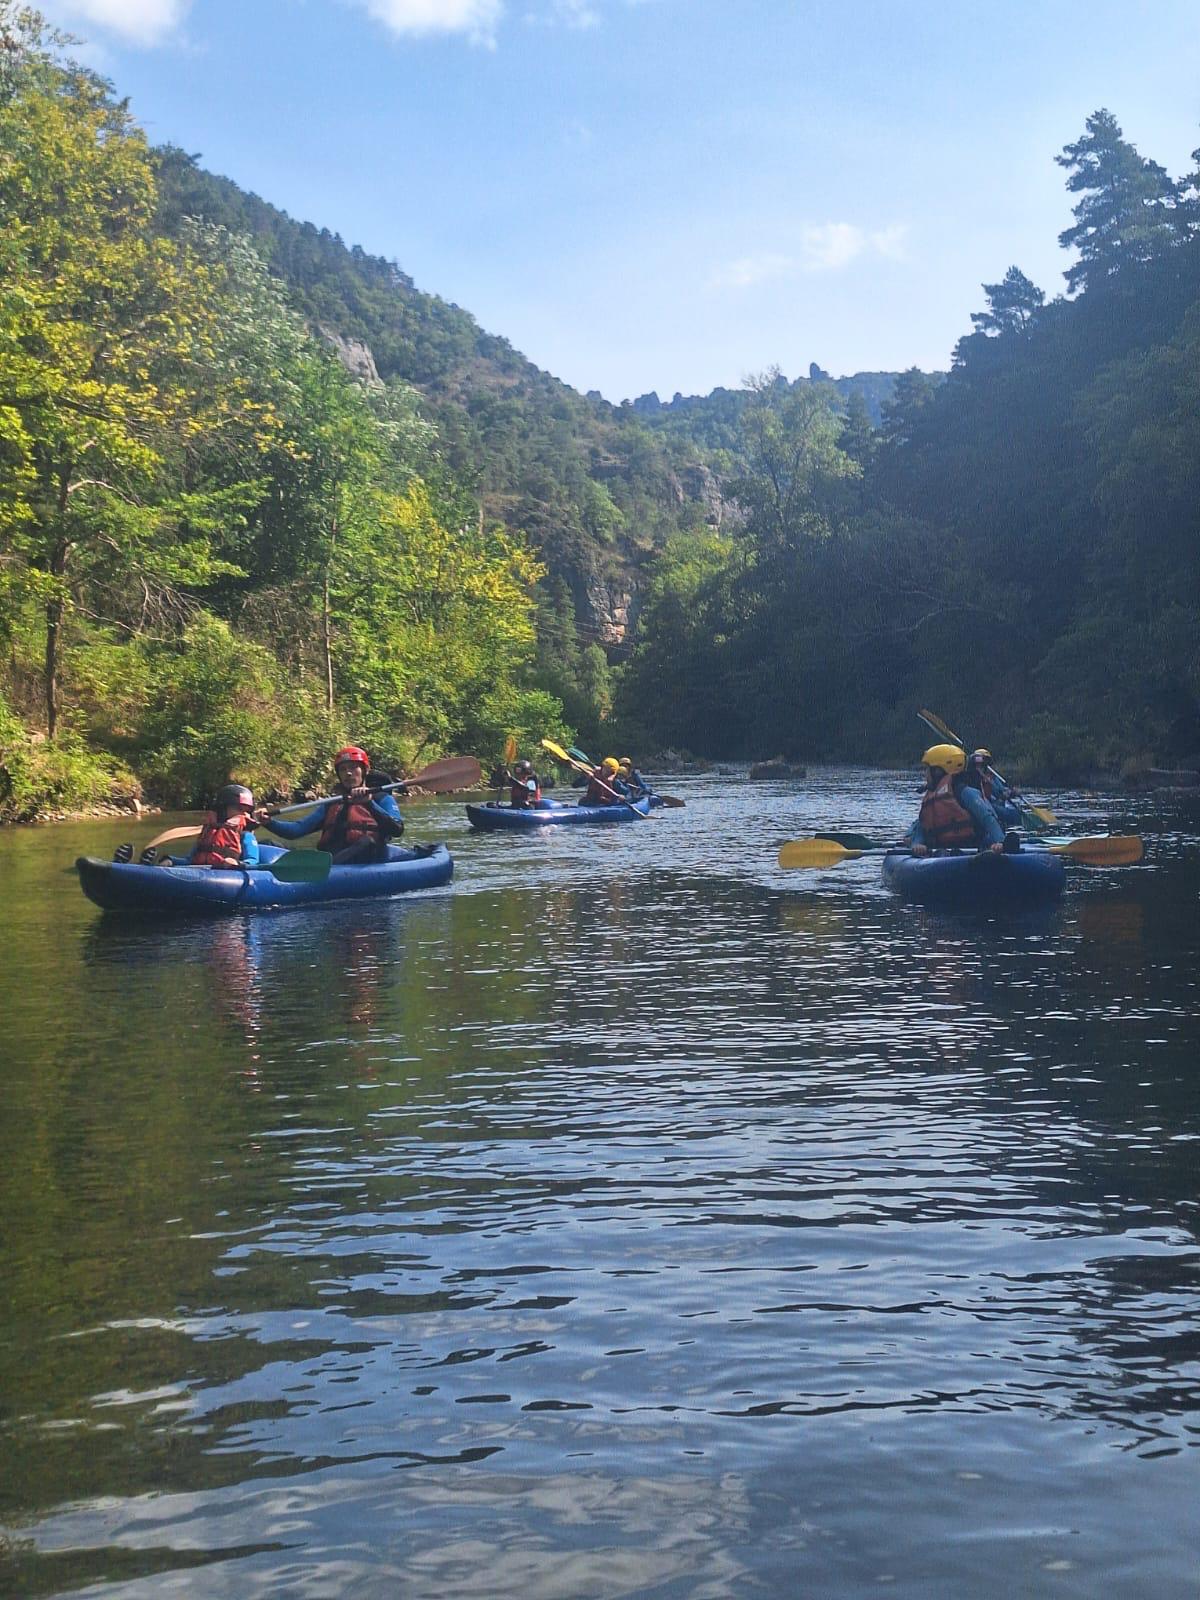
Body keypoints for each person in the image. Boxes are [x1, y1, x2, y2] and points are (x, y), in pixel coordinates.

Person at [263, 745, 404, 864]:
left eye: (353, 768)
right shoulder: (332, 803)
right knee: (268, 844)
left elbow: (397, 829)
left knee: (367, 842)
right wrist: (268, 822)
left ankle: (325, 869)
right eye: (343, 769)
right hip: (331, 860)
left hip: (365, 859)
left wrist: (369, 804)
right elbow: (296, 830)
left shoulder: (381, 798)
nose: (348, 773)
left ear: (365, 770)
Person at [113, 782, 262, 868]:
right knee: (166, 864)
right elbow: (190, 860)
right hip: (200, 872)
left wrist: (237, 864)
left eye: (247, 811)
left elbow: (253, 862)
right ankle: (130, 866)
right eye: (239, 809)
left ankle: (141, 869)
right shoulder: (208, 832)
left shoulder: (246, 836)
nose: (244, 814)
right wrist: (171, 860)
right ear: (222, 809)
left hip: (226, 875)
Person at [909, 743, 1007, 856]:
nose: (925, 774)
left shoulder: (964, 792)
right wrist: (917, 844)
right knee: (941, 853)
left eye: (927, 769)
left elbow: (987, 818)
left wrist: (999, 841)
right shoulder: (931, 796)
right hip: (942, 849)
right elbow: (922, 825)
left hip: (973, 845)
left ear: (938, 771)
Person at [963, 747, 1022, 827]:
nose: (980, 766)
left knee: (1012, 812)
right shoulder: (970, 776)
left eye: (982, 763)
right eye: (978, 764)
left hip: (994, 803)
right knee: (1012, 814)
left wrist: (1012, 792)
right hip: (984, 806)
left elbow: (1001, 791)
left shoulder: (992, 777)